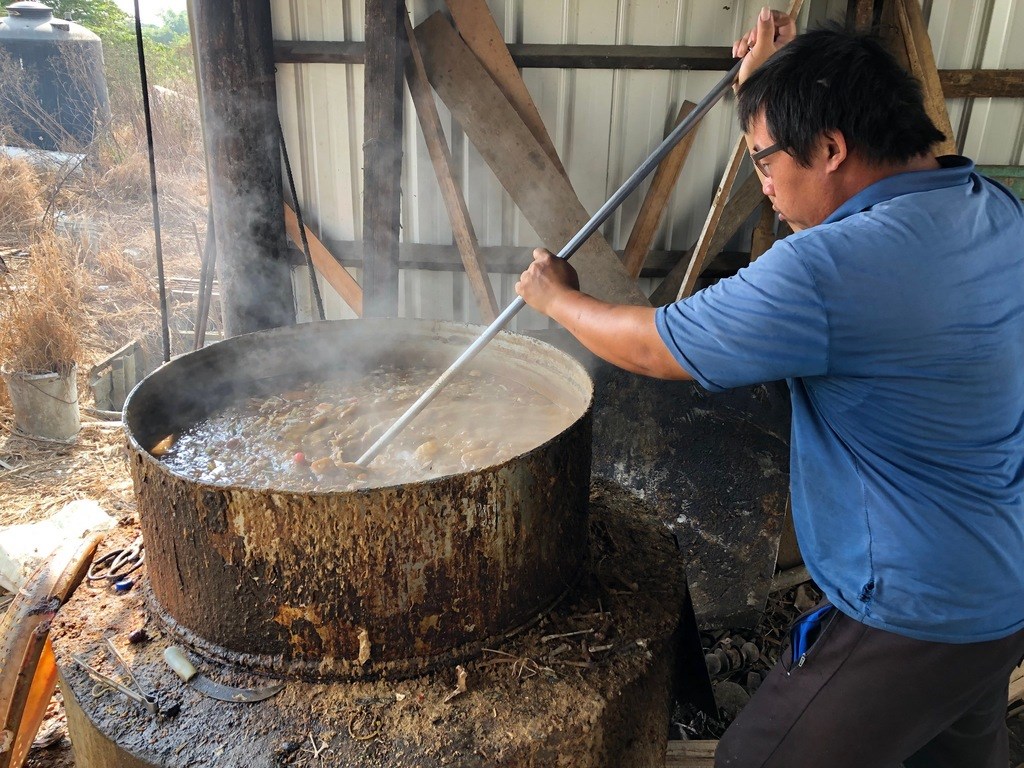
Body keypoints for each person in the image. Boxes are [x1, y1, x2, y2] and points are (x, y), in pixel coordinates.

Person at [515, 7, 1024, 768]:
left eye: (762, 163)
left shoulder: (828, 272)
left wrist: (558, 299)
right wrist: (765, 92)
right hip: (1003, 585)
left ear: (830, 146)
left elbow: (656, 347)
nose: (765, 188)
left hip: (915, 609)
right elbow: (831, 225)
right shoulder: (989, 207)